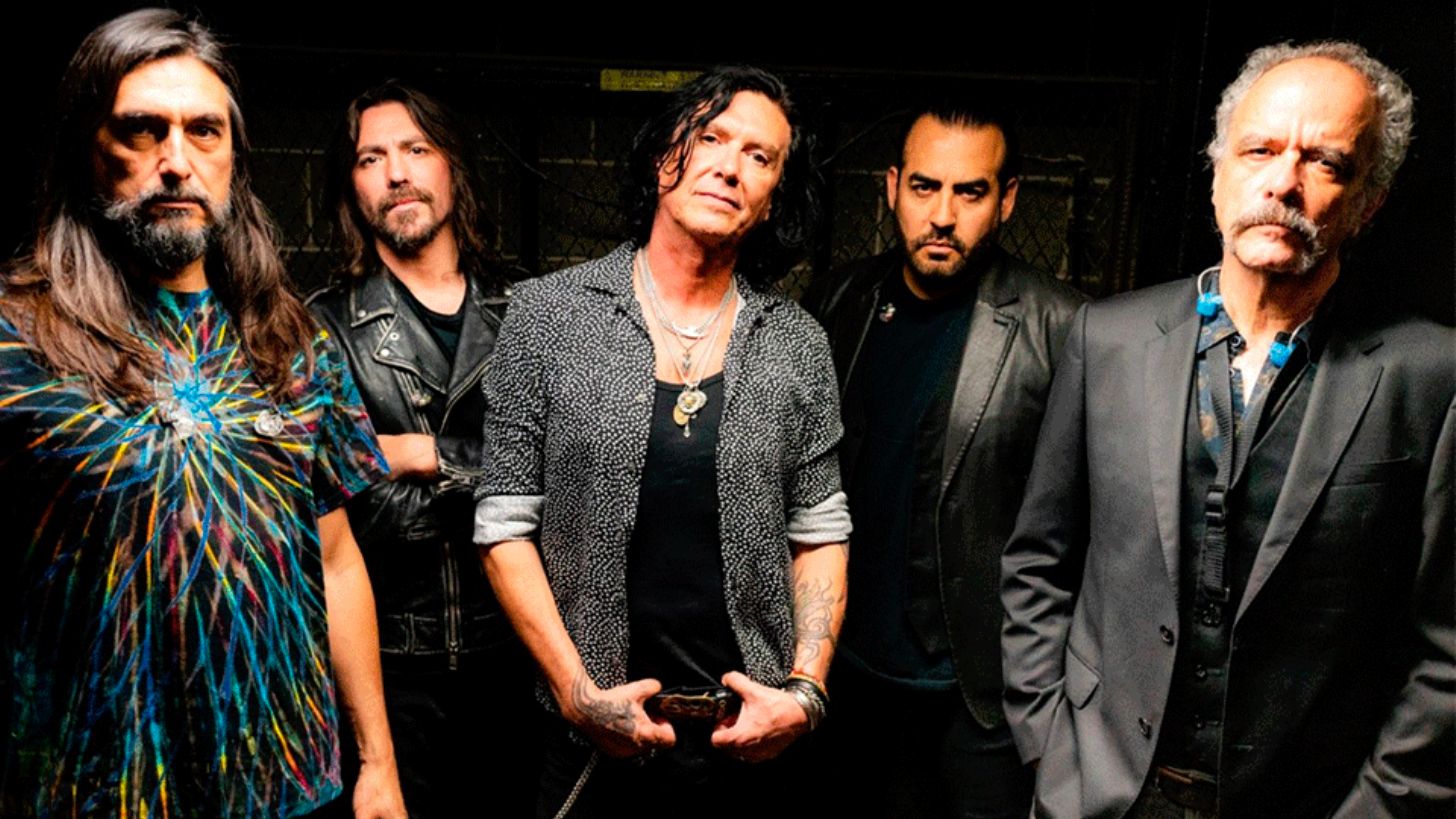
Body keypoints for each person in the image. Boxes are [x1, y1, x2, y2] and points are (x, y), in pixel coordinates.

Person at [1001, 40, 1453, 818]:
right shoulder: (1107, 338)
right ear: (1217, 171)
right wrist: (1053, 748)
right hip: (1101, 791)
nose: (1283, 182)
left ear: (1369, 201)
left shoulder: (1433, 377)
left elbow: (1447, 647)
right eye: (1260, 150)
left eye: (1325, 162)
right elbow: (1038, 560)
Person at [0, 9, 406, 817]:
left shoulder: (294, 342)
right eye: (141, 130)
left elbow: (335, 561)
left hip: (290, 790)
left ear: (234, 160)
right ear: (87, 148)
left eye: (203, 132)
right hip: (93, 793)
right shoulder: (17, 337)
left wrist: (378, 762)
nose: (176, 162)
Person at [474, 65, 849, 818]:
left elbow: (821, 531)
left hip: (748, 746)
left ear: (774, 196)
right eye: (711, 137)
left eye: (759, 156)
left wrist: (805, 691)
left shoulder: (798, 342)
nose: (729, 166)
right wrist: (578, 696)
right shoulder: (548, 315)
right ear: (662, 154)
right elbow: (503, 525)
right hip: (594, 745)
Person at [802, 103, 1084, 818]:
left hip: (979, 696)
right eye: (925, 187)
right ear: (892, 187)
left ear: (1007, 199)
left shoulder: (1064, 326)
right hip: (845, 674)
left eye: (970, 192)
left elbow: (1084, 528)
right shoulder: (841, 299)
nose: (943, 216)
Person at [310, 81, 537, 817]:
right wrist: (489, 479)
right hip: (386, 673)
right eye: (371, 158)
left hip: (518, 661)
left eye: (416, 149)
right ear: (352, 185)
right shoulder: (318, 329)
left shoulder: (530, 312)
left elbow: (565, 479)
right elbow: (345, 513)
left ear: (451, 166)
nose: (397, 173)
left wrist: (420, 454)